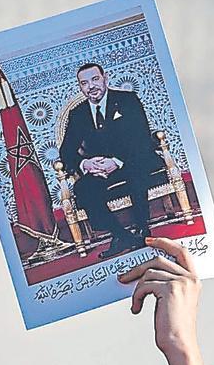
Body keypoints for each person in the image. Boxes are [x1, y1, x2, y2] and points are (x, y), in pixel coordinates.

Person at [59, 62, 165, 259]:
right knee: (83, 189)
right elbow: (66, 152)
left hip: (132, 160)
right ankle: (121, 235)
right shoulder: (78, 114)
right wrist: (86, 164)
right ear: (80, 87)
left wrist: (116, 161)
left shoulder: (128, 100)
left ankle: (143, 229)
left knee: (136, 173)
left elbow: (142, 137)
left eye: (95, 79)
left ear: (105, 78)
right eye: (84, 83)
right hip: (101, 169)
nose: (91, 86)